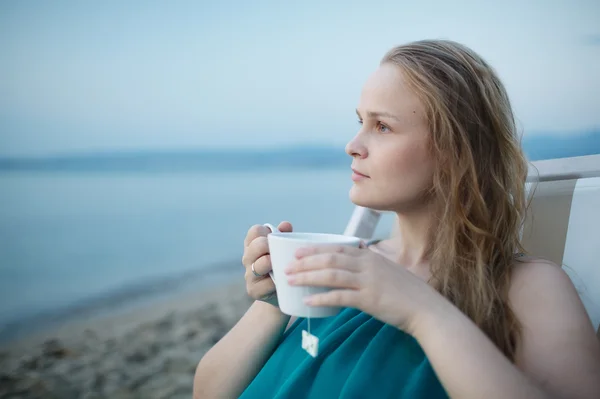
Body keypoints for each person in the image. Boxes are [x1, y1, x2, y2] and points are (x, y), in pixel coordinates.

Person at [193, 39, 600, 398]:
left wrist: (422, 313)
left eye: (382, 126)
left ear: (455, 152)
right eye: (360, 122)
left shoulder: (529, 288)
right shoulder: (343, 265)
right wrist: (273, 304)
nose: (353, 146)